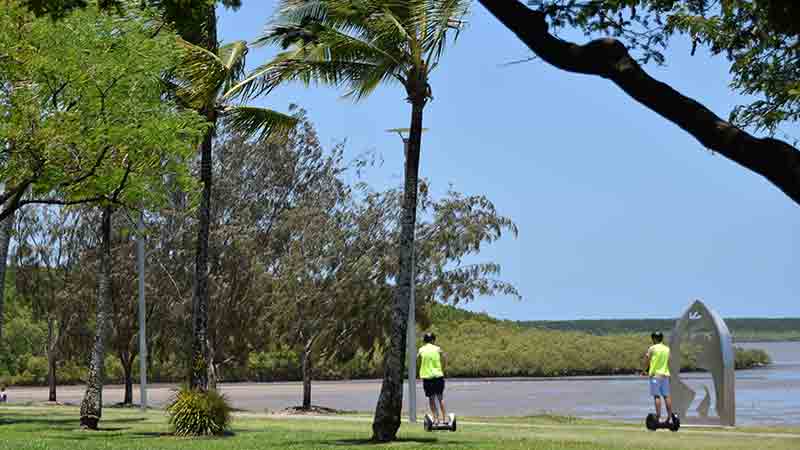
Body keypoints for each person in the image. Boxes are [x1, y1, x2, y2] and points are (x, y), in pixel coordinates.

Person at [418, 332, 448, 424]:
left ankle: (436, 419)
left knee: (431, 399)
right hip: (438, 376)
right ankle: (445, 418)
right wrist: (442, 368)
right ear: (433, 340)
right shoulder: (438, 349)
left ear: (425, 340)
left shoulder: (421, 350)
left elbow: (417, 360)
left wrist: (421, 370)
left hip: (427, 377)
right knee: (440, 398)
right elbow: (444, 358)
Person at [643, 331, 673, 424]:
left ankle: (659, 417)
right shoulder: (667, 349)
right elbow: (669, 360)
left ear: (655, 339)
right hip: (665, 375)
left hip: (655, 375)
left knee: (657, 396)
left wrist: (645, 370)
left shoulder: (652, 348)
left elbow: (647, 360)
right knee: (667, 396)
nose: (652, 340)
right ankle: (670, 418)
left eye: (653, 338)